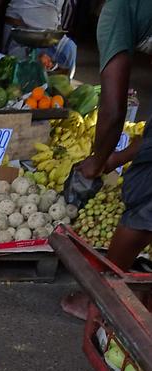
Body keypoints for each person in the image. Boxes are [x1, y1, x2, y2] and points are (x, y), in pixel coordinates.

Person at [61, 0, 152, 319]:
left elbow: (112, 111)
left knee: (142, 207)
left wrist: (96, 163)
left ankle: (102, 302)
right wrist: (112, 159)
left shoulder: (118, 8)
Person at [3, 1, 77, 78]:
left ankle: (61, 84)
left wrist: (57, 29)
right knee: (20, 71)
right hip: (22, 34)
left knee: (69, 48)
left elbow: (58, 13)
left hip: (49, 36)